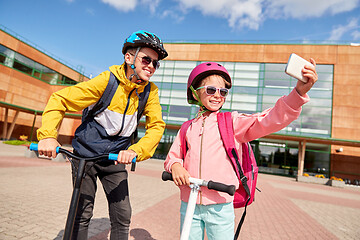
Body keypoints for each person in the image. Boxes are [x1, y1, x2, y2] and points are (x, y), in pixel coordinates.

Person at [164, 60, 318, 239]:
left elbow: (267, 119)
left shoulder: (232, 122)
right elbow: (173, 157)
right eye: (211, 90)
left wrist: (298, 93)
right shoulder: (187, 128)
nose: (217, 95)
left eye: (223, 92)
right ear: (195, 93)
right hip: (189, 201)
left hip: (220, 204)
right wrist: (175, 166)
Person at [37, 30, 167, 239]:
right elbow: (59, 99)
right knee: (82, 212)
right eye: (146, 59)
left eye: (156, 63)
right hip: (85, 156)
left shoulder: (150, 92)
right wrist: (48, 136)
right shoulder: (107, 81)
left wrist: (135, 150)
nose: (151, 66)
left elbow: (156, 126)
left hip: (115, 159)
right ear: (129, 58)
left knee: (123, 215)